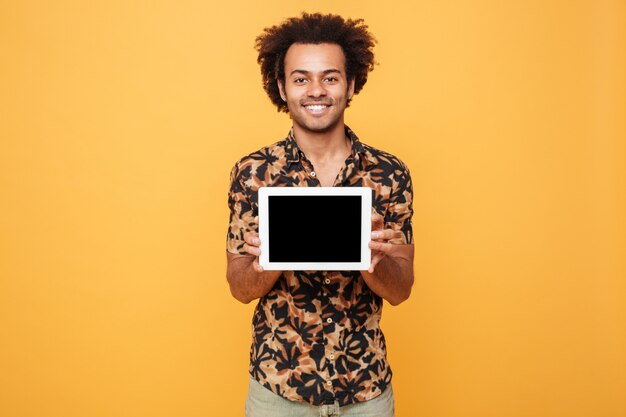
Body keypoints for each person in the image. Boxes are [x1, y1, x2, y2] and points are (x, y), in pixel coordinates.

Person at [226, 12, 414, 417]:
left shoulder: (388, 173)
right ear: (282, 87)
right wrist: (266, 260)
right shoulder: (253, 173)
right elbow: (239, 288)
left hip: (366, 389)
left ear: (350, 84)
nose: (316, 91)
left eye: (330, 77)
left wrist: (373, 260)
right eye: (300, 78)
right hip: (277, 391)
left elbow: (401, 290)